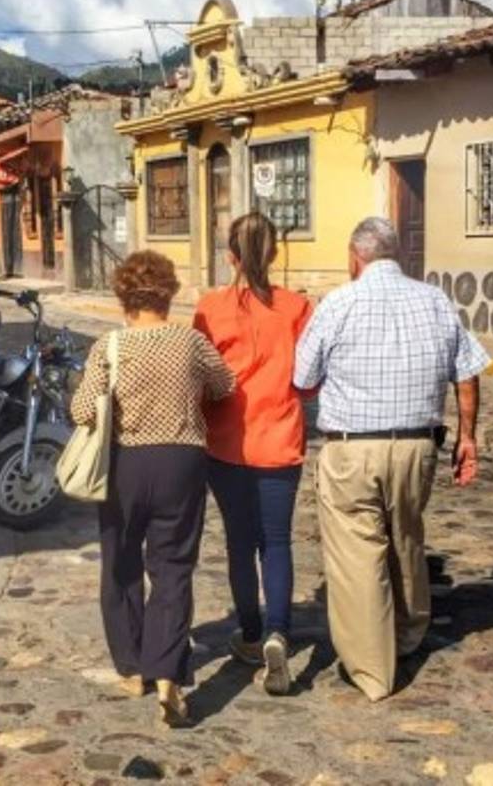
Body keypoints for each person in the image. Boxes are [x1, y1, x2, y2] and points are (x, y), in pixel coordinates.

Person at [294, 217, 489, 702]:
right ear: (395, 254)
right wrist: (468, 437)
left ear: (354, 256)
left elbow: (303, 378)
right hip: (417, 447)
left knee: (358, 554)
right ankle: (408, 634)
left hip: (352, 448)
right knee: (404, 534)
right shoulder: (436, 300)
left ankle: (371, 669)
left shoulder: (338, 303)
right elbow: (466, 375)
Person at [70, 250, 235, 728]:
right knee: (172, 568)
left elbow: (82, 411)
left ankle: (132, 668)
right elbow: (225, 386)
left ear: (124, 297)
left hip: (125, 464)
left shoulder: (111, 347)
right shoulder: (191, 343)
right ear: (168, 294)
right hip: (181, 462)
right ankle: (167, 676)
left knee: (120, 563)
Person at [193, 212, 312, 696]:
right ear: (275, 254)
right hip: (280, 442)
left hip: (224, 446)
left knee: (241, 545)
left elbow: (197, 376)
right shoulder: (299, 307)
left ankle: (247, 634)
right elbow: (309, 377)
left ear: (231, 256)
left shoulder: (210, 308)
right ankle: (279, 633)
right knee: (278, 542)